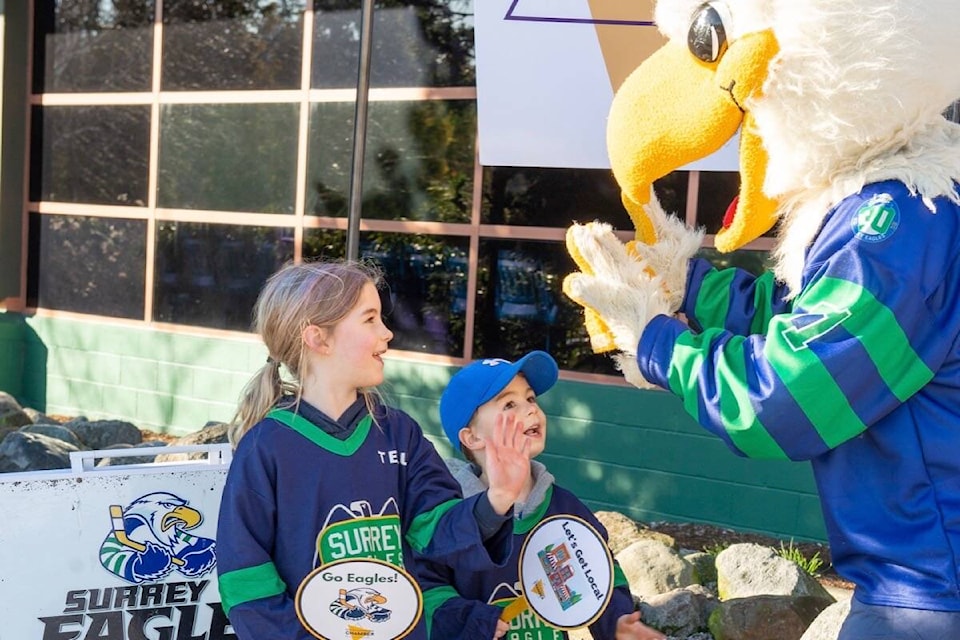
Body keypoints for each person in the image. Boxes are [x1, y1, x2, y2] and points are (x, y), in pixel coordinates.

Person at [215, 260, 532, 639]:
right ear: (318, 338)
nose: (387, 333)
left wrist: (497, 499)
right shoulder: (266, 447)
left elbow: (436, 535)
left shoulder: (399, 433)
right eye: (370, 319)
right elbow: (245, 581)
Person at [416, 350, 666, 640]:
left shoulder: (565, 508)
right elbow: (427, 589)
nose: (531, 409)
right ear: (472, 437)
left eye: (531, 399)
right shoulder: (449, 518)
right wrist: (470, 620)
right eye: (509, 404)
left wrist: (617, 623)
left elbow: (600, 576)